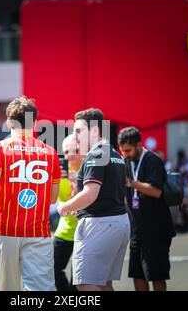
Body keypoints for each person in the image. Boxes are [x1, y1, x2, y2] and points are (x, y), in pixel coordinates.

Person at [0, 96, 61, 291]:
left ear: (9, 122)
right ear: (35, 122)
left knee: (8, 289)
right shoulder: (50, 153)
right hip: (39, 232)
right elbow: (52, 198)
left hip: (7, 230)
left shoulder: (0, 148)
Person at [57, 108, 130, 291]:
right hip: (118, 222)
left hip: (100, 224)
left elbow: (91, 194)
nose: (76, 137)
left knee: (84, 284)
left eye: (79, 131)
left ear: (95, 131)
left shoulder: (96, 155)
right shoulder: (114, 153)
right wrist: (79, 207)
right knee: (104, 283)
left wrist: (64, 207)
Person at [118, 127, 176, 291]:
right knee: (137, 275)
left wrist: (132, 183)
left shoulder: (153, 160)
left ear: (139, 145)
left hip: (157, 229)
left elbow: (157, 192)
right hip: (137, 230)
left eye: (128, 150)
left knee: (157, 275)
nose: (125, 154)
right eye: (122, 151)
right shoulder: (126, 162)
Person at [53, 133, 83, 291]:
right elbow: (59, 199)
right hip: (64, 232)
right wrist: (57, 180)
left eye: (74, 150)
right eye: (66, 152)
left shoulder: (91, 172)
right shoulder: (61, 175)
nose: (70, 155)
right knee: (52, 271)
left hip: (85, 234)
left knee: (78, 281)